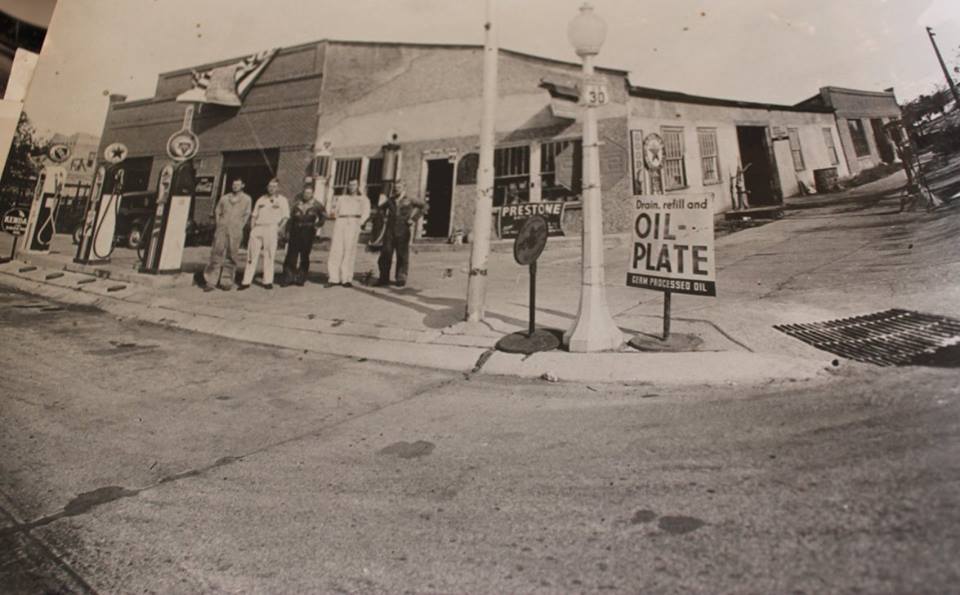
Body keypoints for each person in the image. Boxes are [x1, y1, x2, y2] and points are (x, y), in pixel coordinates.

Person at [197, 178, 251, 291]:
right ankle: (211, 281)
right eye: (233, 184)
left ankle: (226, 281)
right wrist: (219, 223)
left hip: (235, 229)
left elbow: (247, 214)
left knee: (232, 255)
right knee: (216, 253)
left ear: (243, 186)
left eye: (238, 184)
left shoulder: (246, 199)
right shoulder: (225, 198)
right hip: (222, 228)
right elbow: (217, 211)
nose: (235, 186)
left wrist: (240, 225)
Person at [239, 178, 289, 290]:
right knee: (251, 255)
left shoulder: (282, 200)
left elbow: (285, 217)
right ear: (267, 187)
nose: (272, 189)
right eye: (270, 186)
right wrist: (252, 229)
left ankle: (267, 281)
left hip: (271, 228)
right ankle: (246, 281)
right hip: (258, 227)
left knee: (269, 255)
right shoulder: (261, 199)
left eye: (274, 187)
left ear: (278, 188)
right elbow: (254, 215)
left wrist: (278, 229)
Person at [377, 180, 424, 287]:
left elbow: (424, 207)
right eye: (395, 187)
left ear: (404, 188)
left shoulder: (410, 199)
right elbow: (380, 208)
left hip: (403, 229)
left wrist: (413, 219)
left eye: (399, 187)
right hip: (390, 230)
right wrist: (383, 217)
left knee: (402, 254)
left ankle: (401, 277)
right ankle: (383, 278)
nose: (397, 189)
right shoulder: (391, 200)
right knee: (386, 253)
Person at [326, 179, 370, 288]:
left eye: (354, 185)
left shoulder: (363, 199)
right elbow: (335, 211)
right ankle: (333, 278)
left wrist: (360, 223)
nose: (352, 187)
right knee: (336, 249)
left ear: (358, 186)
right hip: (341, 221)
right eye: (350, 185)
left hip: (354, 222)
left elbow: (366, 212)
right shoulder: (342, 198)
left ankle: (346, 278)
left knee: (349, 250)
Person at [279, 185, 325, 286]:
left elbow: (323, 217)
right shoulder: (296, 204)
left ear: (312, 193)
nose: (307, 195)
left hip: (308, 231)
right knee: (291, 254)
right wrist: (287, 232)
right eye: (305, 193)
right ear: (302, 193)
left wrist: (317, 226)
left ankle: (301, 278)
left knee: (304, 255)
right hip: (295, 230)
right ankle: (288, 277)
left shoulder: (317, 205)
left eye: (309, 193)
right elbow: (290, 219)